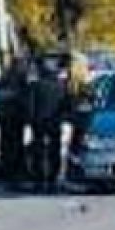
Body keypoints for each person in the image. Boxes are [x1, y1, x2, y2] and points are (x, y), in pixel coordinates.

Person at [27, 57, 66, 193]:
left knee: (38, 151)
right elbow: (64, 105)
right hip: (54, 122)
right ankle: (52, 179)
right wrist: (61, 118)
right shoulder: (61, 85)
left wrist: (31, 120)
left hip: (39, 122)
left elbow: (31, 106)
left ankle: (39, 180)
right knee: (54, 151)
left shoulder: (36, 85)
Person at [0, 53, 29, 186]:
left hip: (5, 117)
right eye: (23, 64)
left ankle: (10, 172)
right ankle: (15, 173)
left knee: (7, 145)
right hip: (13, 118)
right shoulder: (18, 78)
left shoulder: (3, 77)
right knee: (14, 146)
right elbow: (24, 97)